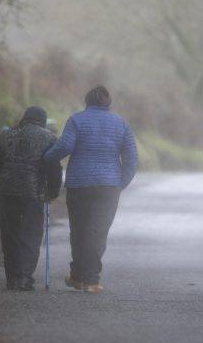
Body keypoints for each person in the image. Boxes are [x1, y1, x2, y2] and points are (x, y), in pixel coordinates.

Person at [43, 86, 138, 293]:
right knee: (98, 231)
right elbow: (131, 158)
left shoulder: (77, 120)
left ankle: (79, 277)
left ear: (87, 101)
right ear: (108, 103)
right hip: (108, 187)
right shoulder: (121, 123)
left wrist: (46, 158)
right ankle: (90, 280)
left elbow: (65, 146)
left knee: (79, 231)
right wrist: (120, 183)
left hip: (79, 184)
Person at [0, 106, 62, 291]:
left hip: (7, 191)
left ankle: (12, 278)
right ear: (43, 121)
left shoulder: (7, 135)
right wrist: (52, 191)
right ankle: (24, 277)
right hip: (33, 192)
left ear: (24, 118)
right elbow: (54, 168)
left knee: (9, 234)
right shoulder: (49, 138)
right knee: (31, 234)